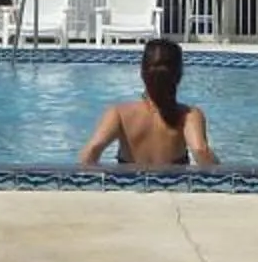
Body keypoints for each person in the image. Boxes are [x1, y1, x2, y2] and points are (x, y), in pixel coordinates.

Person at [78, 37, 219, 169]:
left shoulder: (119, 114)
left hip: (130, 190)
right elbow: (200, 151)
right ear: (179, 74)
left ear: (142, 73)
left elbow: (92, 150)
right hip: (173, 189)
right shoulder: (189, 115)